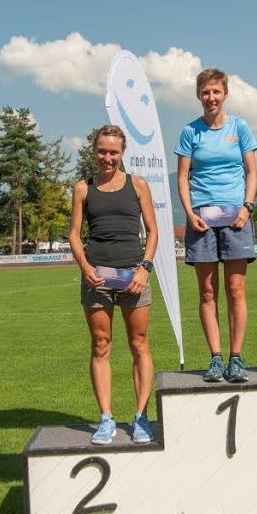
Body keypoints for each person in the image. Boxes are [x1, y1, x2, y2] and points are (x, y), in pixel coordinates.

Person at [68, 125, 158, 446]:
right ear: (94, 151)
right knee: (101, 344)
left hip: (134, 275)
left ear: (122, 153)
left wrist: (144, 269)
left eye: (113, 152)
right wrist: (85, 267)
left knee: (139, 344)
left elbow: (153, 231)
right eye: (102, 151)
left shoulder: (138, 185)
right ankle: (105, 418)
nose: (107, 158)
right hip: (97, 277)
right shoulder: (83, 188)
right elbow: (74, 234)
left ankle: (141, 417)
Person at [175, 68, 257, 383]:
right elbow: (182, 178)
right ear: (199, 95)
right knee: (207, 291)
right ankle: (215, 358)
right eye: (205, 92)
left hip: (237, 218)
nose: (211, 97)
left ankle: (236, 359)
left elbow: (252, 172)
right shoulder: (189, 132)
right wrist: (189, 213)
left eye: (216, 92)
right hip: (201, 219)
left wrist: (247, 207)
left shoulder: (240, 127)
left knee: (236, 290)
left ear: (225, 94)